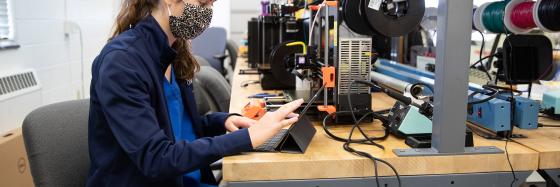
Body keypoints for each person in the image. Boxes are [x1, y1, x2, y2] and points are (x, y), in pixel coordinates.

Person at [87, 0, 304, 186]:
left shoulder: (173, 51)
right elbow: (157, 158)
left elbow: (177, 126)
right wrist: (248, 138)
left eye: (211, 4)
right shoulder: (122, 62)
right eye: (202, 3)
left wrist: (223, 121)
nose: (207, 12)